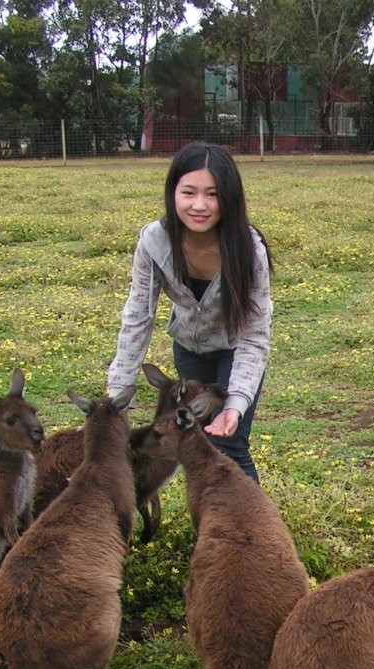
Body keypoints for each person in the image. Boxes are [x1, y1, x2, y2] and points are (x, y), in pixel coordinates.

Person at [107, 142, 273, 482]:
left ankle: (257, 531)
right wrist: (117, 397)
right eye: (189, 192)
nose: (200, 205)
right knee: (194, 444)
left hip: (235, 349)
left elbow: (254, 335)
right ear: (173, 192)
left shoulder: (248, 249)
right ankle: (213, 526)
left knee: (231, 443)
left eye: (212, 194)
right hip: (189, 350)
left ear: (230, 198)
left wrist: (236, 403)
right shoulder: (154, 241)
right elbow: (138, 317)